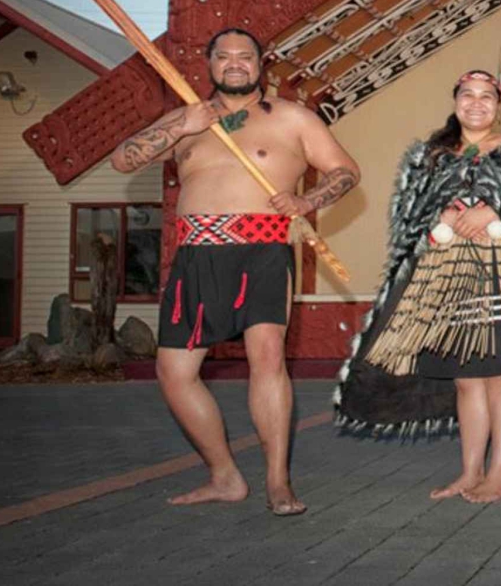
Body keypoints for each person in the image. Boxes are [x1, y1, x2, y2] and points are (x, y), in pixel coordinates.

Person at [111, 27, 361, 515]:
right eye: (222, 56)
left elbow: (346, 171)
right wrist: (183, 125)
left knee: (267, 358)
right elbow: (123, 159)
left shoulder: (292, 118)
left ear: (259, 64)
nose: (234, 63)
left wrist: (307, 199)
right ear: (209, 65)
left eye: (244, 56)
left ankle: (278, 482)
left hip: (263, 248)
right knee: (174, 371)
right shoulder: (187, 120)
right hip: (197, 252)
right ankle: (224, 476)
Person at [334, 70, 501, 503]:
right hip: (446, 271)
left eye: (487, 97)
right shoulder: (430, 155)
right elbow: (406, 212)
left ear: (499, 104)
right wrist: (443, 218)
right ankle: (470, 471)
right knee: (467, 379)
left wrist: (494, 214)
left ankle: (499, 474)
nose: (477, 103)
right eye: (468, 95)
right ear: (455, 101)